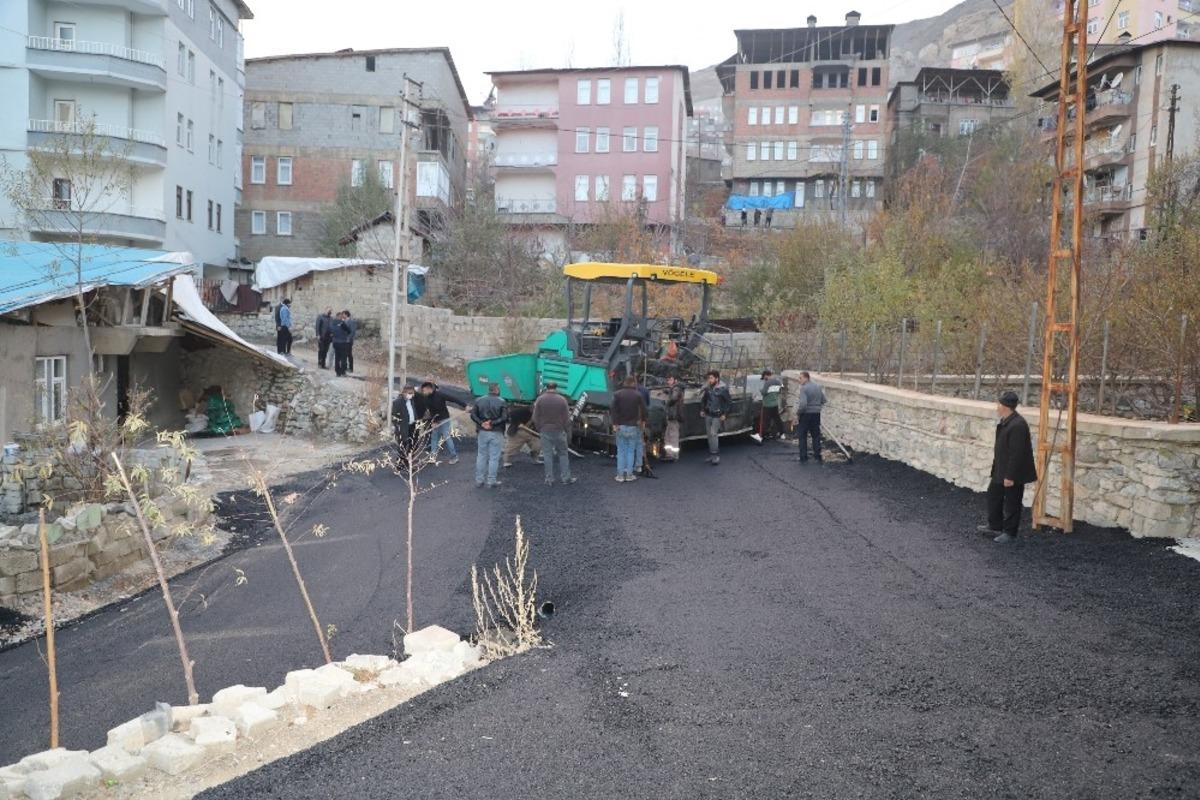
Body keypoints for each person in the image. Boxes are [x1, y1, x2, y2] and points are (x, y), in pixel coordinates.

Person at [979, 391, 1038, 543]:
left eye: (998, 404)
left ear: (1005, 406)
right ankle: (995, 526)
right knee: (994, 495)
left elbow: (1017, 454)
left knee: (1012, 502)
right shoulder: (1007, 421)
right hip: (1001, 469)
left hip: (1013, 473)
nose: (996, 407)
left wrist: (1010, 476)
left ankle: (1010, 533)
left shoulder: (1018, 425)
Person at [532, 381, 575, 485]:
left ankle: (549, 479)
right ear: (556, 388)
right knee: (563, 454)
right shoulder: (562, 400)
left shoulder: (540, 399)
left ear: (547, 388)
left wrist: (540, 428)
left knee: (547, 455)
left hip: (545, 430)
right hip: (559, 431)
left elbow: (535, 417)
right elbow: (567, 419)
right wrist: (566, 431)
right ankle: (566, 478)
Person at [470, 383, 508, 488]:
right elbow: (504, 417)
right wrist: (492, 423)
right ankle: (491, 481)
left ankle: (479, 480)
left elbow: (473, 415)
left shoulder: (479, 400)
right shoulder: (502, 401)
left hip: (482, 431)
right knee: (494, 458)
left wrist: (482, 423)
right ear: (497, 389)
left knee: (481, 455)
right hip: (496, 431)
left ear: (489, 389)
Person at [610, 376, 646, 482]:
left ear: (625, 383)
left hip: (620, 426)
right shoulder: (638, 395)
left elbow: (613, 409)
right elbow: (644, 410)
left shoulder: (617, 394)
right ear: (633, 384)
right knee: (631, 451)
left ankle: (620, 476)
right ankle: (629, 475)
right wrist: (643, 422)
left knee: (621, 451)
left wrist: (614, 423)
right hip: (633, 427)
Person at [419, 381, 458, 465]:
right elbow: (432, 411)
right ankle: (433, 457)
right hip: (435, 419)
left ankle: (454, 456)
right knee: (434, 437)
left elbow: (453, 400)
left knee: (446, 437)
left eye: (424, 390)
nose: (423, 392)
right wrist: (433, 421)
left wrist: (465, 405)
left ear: (429, 389)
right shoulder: (426, 398)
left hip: (444, 419)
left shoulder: (439, 395)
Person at [699, 370, 732, 465]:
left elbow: (729, 403)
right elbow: (703, 400)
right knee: (709, 435)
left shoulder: (723, 389)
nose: (709, 380)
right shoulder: (707, 388)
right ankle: (711, 455)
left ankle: (715, 456)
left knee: (713, 434)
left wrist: (725, 414)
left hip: (717, 416)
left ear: (717, 378)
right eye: (709, 378)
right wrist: (702, 410)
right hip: (708, 415)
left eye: (711, 378)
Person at [795, 371, 826, 464]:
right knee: (816, 435)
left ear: (806, 378)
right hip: (816, 414)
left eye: (800, 378)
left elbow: (803, 405)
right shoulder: (818, 387)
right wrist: (817, 407)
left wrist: (798, 413)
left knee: (802, 435)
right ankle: (817, 456)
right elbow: (824, 400)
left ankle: (803, 457)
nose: (799, 380)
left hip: (806, 414)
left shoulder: (804, 389)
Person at [391, 385, 422, 454]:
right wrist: (398, 427)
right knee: (403, 446)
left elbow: (413, 411)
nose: (412, 395)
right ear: (404, 393)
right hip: (404, 427)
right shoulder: (397, 402)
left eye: (413, 393)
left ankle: (411, 458)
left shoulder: (411, 400)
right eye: (410, 393)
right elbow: (394, 416)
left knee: (414, 443)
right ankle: (401, 462)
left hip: (413, 425)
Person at [662, 374, 685, 461]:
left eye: (670, 380)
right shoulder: (675, 388)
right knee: (668, 434)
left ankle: (674, 455)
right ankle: (669, 454)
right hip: (672, 415)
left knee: (673, 434)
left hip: (674, 415)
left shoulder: (676, 388)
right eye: (668, 380)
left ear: (675, 380)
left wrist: (667, 402)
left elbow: (674, 398)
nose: (668, 382)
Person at [759, 369, 783, 441]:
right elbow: (780, 390)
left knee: (766, 421)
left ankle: (764, 435)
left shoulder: (767, 383)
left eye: (764, 377)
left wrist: (760, 390)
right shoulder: (778, 381)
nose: (764, 379)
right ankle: (781, 433)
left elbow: (764, 392)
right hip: (775, 404)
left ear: (766, 375)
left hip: (767, 405)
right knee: (777, 419)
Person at [330, 311, 354, 377]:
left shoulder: (332, 323)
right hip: (342, 342)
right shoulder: (342, 323)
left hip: (335, 342)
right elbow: (349, 331)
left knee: (337, 358)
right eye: (341, 316)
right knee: (343, 358)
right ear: (339, 317)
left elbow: (330, 331)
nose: (342, 317)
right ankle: (343, 372)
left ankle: (337, 372)